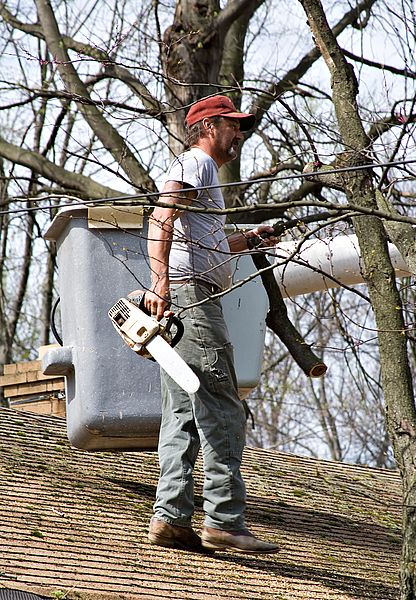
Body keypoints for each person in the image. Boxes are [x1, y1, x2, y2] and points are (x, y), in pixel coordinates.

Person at [144, 95, 280, 554]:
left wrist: (248, 238)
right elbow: (162, 216)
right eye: (234, 126)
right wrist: (160, 285)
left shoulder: (205, 175)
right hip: (191, 298)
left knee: (183, 410)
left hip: (183, 297)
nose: (240, 134)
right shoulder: (197, 161)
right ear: (210, 126)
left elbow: (208, 243)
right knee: (224, 403)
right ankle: (225, 518)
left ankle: (172, 517)